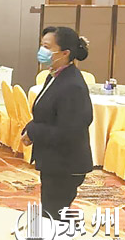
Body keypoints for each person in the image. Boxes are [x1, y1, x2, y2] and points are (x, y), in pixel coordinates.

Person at [21, 26, 93, 221]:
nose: (41, 51)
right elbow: (46, 112)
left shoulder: (73, 85)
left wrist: (34, 131)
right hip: (54, 160)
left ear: (65, 53)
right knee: (51, 212)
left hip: (66, 164)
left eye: (47, 47)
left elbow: (69, 131)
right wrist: (30, 129)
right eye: (41, 45)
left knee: (53, 216)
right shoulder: (54, 74)